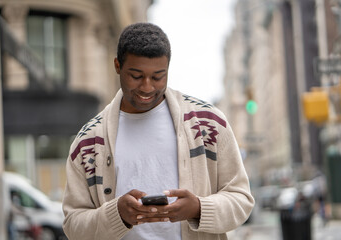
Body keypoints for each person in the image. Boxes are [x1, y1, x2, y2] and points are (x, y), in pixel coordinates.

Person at [62, 22, 254, 240]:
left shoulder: (208, 123)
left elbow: (241, 200)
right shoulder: (88, 141)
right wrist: (117, 215)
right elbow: (72, 226)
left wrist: (198, 208)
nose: (147, 87)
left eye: (157, 77)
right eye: (135, 76)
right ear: (117, 66)